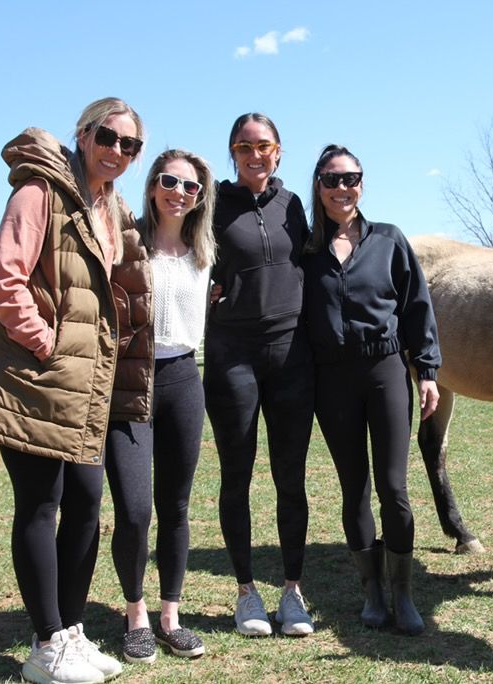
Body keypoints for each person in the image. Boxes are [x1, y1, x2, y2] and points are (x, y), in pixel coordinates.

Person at [0, 97, 147, 684]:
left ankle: (70, 631)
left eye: (130, 145)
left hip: (81, 386)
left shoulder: (111, 209)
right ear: (84, 134)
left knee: (88, 501)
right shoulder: (40, 191)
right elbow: (3, 279)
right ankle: (45, 648)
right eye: (109, 138)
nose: (118, 151)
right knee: (41, 505)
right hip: (32, 377)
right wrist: (45, 344)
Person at [301, 145, 441, 636]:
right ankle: (372, 594)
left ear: (363, 183)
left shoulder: (388, 240)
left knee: (394, 487)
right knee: (354, 488)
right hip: (331, 378)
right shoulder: (308, 249)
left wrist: (426, 371)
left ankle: (403, 594)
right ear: (317, 185)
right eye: (332, 179)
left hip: (384, 370)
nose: (343, 188)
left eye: (351, 178)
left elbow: (417, 306)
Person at [204, 113, 316, 637]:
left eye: (264, 145)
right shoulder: (212, 205)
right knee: (238, 475)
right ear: (232, 151)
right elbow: (179, 256)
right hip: (234, 354)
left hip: (292, 354)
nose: (255, 154)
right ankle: (246, 592)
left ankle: (292, 591)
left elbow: (315, 265)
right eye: (244, 146)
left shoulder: (293, 206)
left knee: (291, 478)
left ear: (278, 151)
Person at [105, 149, 216, 663]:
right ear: (152, 186)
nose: (179, 192)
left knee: (175, 506)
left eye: (190, 186)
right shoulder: (127, 243)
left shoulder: (204, 251)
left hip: (184, 380)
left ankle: (170, 617)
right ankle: (136, 615)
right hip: (129, 382)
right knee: (134, 508)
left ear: (200, 197)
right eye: (170, 181)